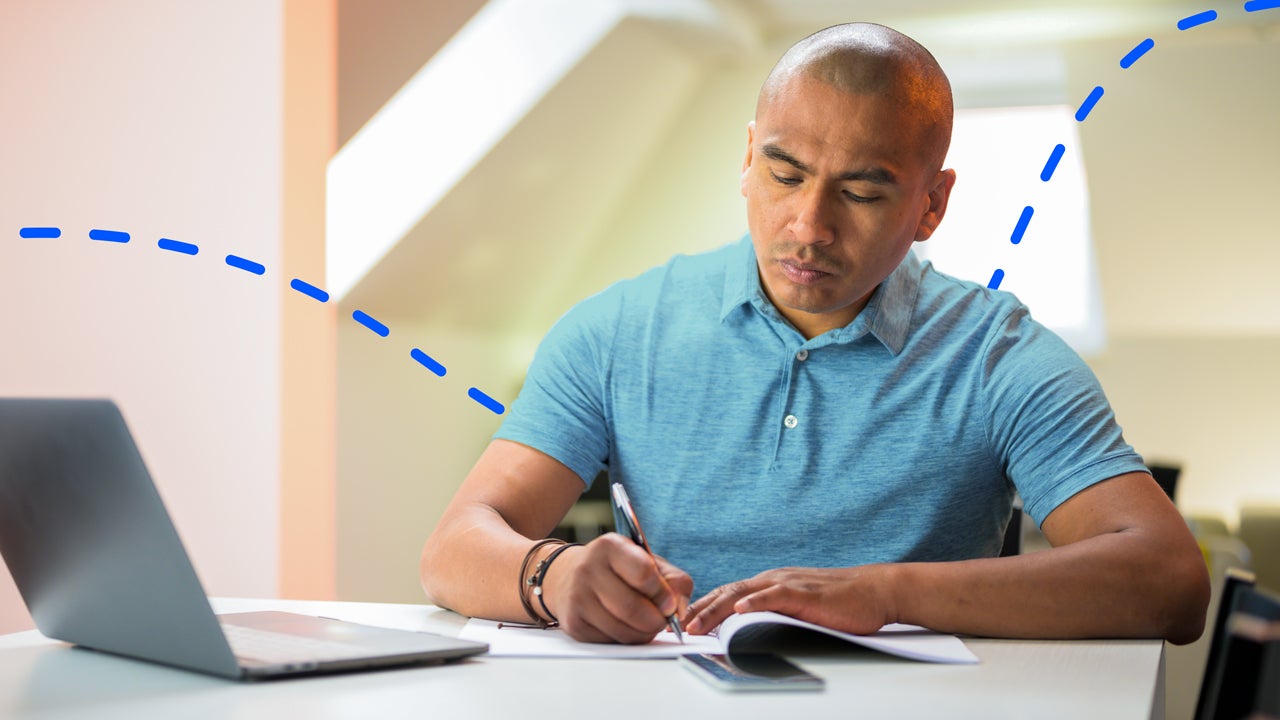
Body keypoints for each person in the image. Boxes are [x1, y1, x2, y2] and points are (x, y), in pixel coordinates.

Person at [420, 22, 1209, 646]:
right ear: (746, 159)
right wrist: (551, 576)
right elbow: (454, 547)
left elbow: (1169, 582)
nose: (810, 227)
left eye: (863, 191)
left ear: (932, 205)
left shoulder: (1000, 356)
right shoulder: (615, 330)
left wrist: (888, 594)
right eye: (785, 174)